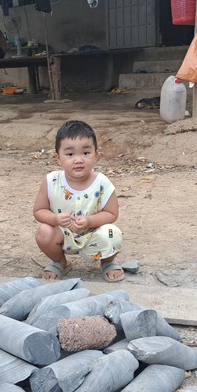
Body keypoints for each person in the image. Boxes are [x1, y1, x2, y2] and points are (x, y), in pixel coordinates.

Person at [33, 120, 124, 283]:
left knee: (113, 233)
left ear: (96, 154)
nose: (78, 160)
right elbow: (39, 211)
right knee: (44, 231)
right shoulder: (51, 181)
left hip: (94, 234)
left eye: (85, 153)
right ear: (57, 158)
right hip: (63, 234)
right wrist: (55, 219)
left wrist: (90, 221)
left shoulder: (102, 182)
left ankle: (107, 262)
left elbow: (112, 213)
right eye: (70, 154)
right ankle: (60, 262)